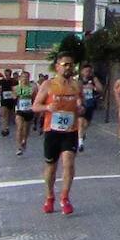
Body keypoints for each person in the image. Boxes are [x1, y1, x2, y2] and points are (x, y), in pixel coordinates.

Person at [32, 56, 82, 215]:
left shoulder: (76, 85)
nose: (68, 67)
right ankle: (49, 197)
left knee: (68, 162)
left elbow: (81, 104)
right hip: (52, 131)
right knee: (51, 166)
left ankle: (65, 198)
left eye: (71, 64)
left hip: (70, 130)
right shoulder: (48, 85)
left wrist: (81, 108)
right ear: (57, 67)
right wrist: (47, 107)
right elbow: (35, 106)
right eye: (65, 64)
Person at [79, 62, 104, 150]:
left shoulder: (94, 79)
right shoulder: (78, 80)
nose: (88, 73)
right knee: (81, 122)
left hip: (90, 104)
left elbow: (101, 90)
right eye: (86, 71)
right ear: (82, 71)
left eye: (89, 71)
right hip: (81, 104)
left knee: (86, 124)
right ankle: (80, 142)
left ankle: (82, 134)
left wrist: (94, 87)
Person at [13, 70, 36, 156]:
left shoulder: (32, 88)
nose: (24, 79)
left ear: (29, 79)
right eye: (23, 77)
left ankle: (24, 140)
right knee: (19, 128)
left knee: (26, 129)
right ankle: (18, 147)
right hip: (19, 110)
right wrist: (15, 96)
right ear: (20, 78)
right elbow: (14, 98)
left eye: (26, 77)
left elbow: (34, 100)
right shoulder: (16, 88)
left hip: (29, 110)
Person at [0, 69, 17, 137]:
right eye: (6, 74)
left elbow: (15, 90)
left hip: (11, 100)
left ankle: (7, 127)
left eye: (8, 74)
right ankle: (4, 129)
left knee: (10, 115)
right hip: (4, 100)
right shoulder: (1, 81)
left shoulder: (14, 81)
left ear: (10, 74)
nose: (7, 76)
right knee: (3, 114)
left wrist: (14, 95)